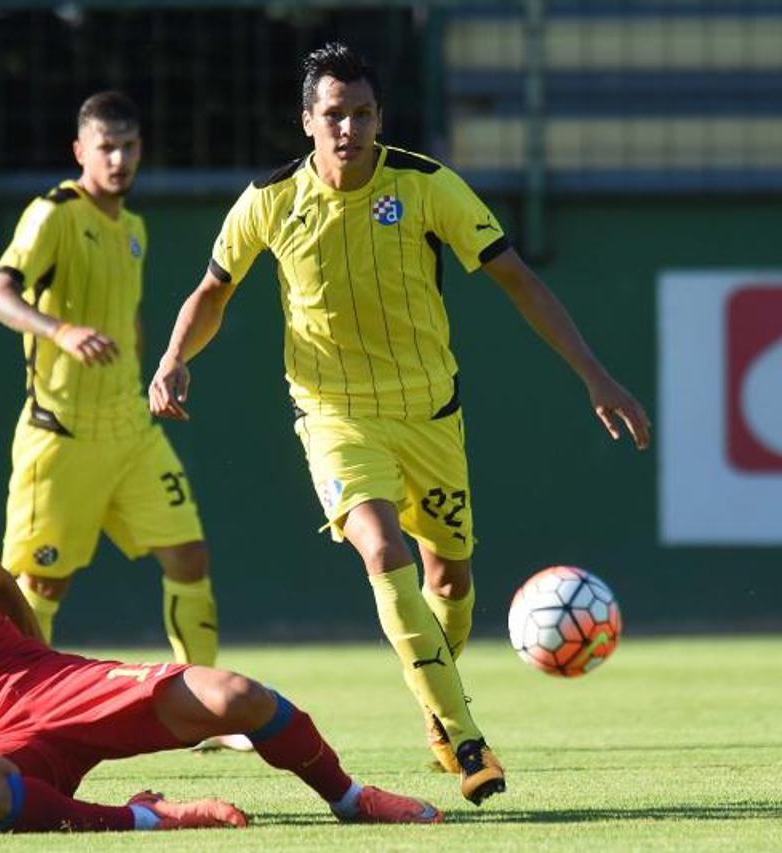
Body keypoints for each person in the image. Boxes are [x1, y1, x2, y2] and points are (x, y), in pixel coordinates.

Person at [149, 43, 650, 806]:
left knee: (451, 577)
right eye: (332, 114)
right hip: (334, 415)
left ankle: (432, 710)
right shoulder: (269, 200)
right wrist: (176, 355)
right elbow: (212, 290)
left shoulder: (425, 187)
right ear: (307, 121)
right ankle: (467, 735)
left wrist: (594, 372)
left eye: (360, 113)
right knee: (382, 550)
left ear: (380, 117)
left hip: (430, 415)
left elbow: (517, 278)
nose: (347, 128)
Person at [0, 424, 445, 833]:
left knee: (238, 695)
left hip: (52, 686)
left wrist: (42, 661)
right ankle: (148, 818)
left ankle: (351, 798)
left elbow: (4, 590)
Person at [0, 92, 222, 675]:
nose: (119, 160)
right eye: (106, 147)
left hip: (130, 431)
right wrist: (59, 330)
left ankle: (211, 709)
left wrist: (153, 381)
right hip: (60, 433)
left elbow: (129, 319)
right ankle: (17, 708)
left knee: (188, 555)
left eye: (129, 146)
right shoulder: (54, 214)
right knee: (39, 583)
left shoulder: (133, 228)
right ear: (80, 151)